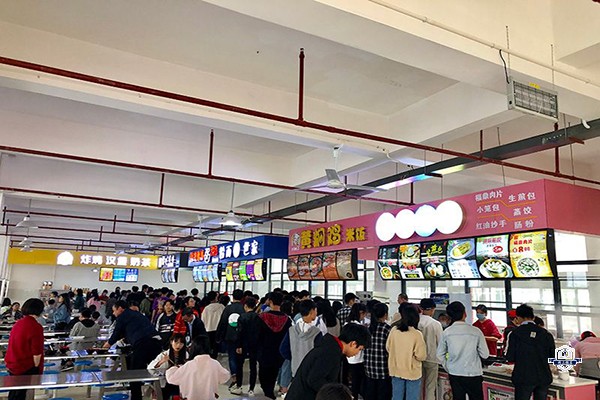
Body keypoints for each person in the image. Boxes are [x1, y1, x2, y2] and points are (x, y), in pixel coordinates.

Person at [286, 323, 372, 400]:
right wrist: (337, 395)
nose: (357, 353)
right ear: (353, 344)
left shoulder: (331, 348)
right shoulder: (330, 352)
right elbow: (314, 379)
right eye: (360, 349)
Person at [103, 300, 163, 400]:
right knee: (154, 370)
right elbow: (135, 331)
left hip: (143, 344)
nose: (113, 313)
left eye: (114, 310)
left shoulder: (122, 316)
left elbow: (116, 333)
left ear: (120, 308)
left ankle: (136, 397)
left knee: (134, 374)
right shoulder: (137, 315)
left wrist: (107, 345)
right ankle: (159, 394)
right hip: (156, 343)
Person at [437, 301, 489, 400]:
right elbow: (485, 354)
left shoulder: (446, 332)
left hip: (455, 373)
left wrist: (448, 366)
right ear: (465, 314)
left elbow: (440, 354)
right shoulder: (476, 331)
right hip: (473, 373)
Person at [505, 304, 555, 400]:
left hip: (524, 376)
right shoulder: (546, 334)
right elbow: (552, 356)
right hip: (543, 376)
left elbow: (510, 357)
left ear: (518, 317)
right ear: (533, 317)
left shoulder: (515, 334)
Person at [165, 335, 230, 400]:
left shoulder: (188, 365)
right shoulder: (214, 364)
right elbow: (226, 376)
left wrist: (177, 367)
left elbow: (170, 377)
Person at [5, 298, 45, 400]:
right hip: (25, 365)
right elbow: (37, 351)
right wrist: (36, 368)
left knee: (14, 391)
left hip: (13, 362)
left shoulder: (18, 324)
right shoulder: (36, 327)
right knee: (21, 394)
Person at [257, 291, 293, 399]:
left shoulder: (262, 317)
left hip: (264, 351)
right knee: (274, 373)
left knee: (263, 373)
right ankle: (270, 391)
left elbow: (257, 335)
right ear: (281, 303)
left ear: (270, 302)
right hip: (278, 352)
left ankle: (267, 390)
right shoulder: (286, 320)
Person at [386, 305, 427, 400]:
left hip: (396, 370)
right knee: (411, 397)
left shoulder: (394, 330)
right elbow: (421, 356)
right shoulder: (417, 334)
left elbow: (388, 347)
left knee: (396, 397)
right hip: (412, 372)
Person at [216, 289, 246, 393]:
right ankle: (239, 376)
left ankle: (234, 377)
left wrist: (219, 336)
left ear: (232, 296)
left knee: (232, 357)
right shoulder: (244, 308)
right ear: (242, 297)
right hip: (241, 337)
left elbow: (223, 323)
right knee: (240, 359)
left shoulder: (228, 308)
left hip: (229, 337)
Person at [363, 303, 392, 400]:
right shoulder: (387, 329)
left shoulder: (367, 328)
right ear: (385, 315)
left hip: (369, 369)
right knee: (383, 396)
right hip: (383, 369)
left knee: (371, 395)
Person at [148, 333, 187, 400]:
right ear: (171, 342)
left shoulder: (186, 354)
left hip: (181, 382)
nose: (178, 345)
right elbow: (150, 367)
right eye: (176, 342)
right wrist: (161, 361)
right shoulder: (164, 354)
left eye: (181, 343)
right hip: (167, 382)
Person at [418, 298, 443, 400]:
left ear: (421, 308)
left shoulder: (415, 321)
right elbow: (441, 343)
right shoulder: (436, 324)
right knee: (430, 387)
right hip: (432, 359)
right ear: (433, 309)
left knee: (418, 385)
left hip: (418, 359)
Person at [236, 297, 261, 396]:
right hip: (255, 345)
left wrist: (238, 345)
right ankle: (251, 389)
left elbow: (239, 332)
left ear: (245, 306)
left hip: (243, 344)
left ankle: (239, 386)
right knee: (253, 366)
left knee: (240, 365)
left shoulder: (242, 317)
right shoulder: (258, 317)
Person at [345, 302, 368, 400]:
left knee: (350, 381)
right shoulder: (359, 327)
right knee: (357, 383)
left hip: (347, 357)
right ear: (361, 313)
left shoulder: (347, 324)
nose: (364, 316)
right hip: (357, 359)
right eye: (364, 314)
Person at [201, 291, 225, 359]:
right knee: (216, 346)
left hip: (208, 329)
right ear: (216, 297)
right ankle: (215, 358)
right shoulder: (221, 307)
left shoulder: (206, 308)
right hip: (218, 329)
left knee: (209, 346)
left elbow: (203, 320)